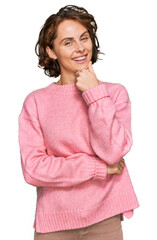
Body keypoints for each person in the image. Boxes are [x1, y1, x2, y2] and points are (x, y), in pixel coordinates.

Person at [18, 5, 140, 240]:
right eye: (68, 42)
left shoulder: (113, 94)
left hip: (106, 218)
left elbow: (113, 152)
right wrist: (98, 168)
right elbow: (33, 169)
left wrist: (95, 94)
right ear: (51, 51)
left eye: (84, 38)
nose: (80, 47)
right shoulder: (36, 102)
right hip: (55, 223)